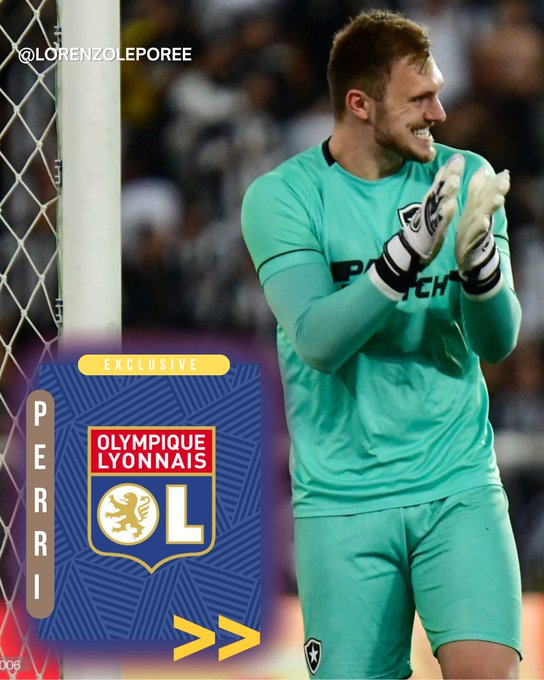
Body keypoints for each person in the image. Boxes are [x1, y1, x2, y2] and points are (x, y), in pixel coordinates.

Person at [241, 9, 523, 680]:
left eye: (438, 93)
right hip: (343, 500)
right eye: (419, 99)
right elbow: (317, 340)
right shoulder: (284, 197)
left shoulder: (464, 175)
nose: (440, 113)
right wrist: (404, 256)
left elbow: (498, 341)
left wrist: (480, 267)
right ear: (360, 104)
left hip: (457, 482)